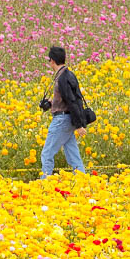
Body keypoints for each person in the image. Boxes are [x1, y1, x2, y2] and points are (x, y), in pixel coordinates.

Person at [39, 46, 87, 178]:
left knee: (47, 154)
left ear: (52, 61)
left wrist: (79, 125)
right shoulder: (68, 74)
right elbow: (68, 99)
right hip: (67, 120)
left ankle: (45, 183)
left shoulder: (62, 78)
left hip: (62, 120)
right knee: (72, 154)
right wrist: (50, 103)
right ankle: (82, 180)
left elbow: (71, 101)